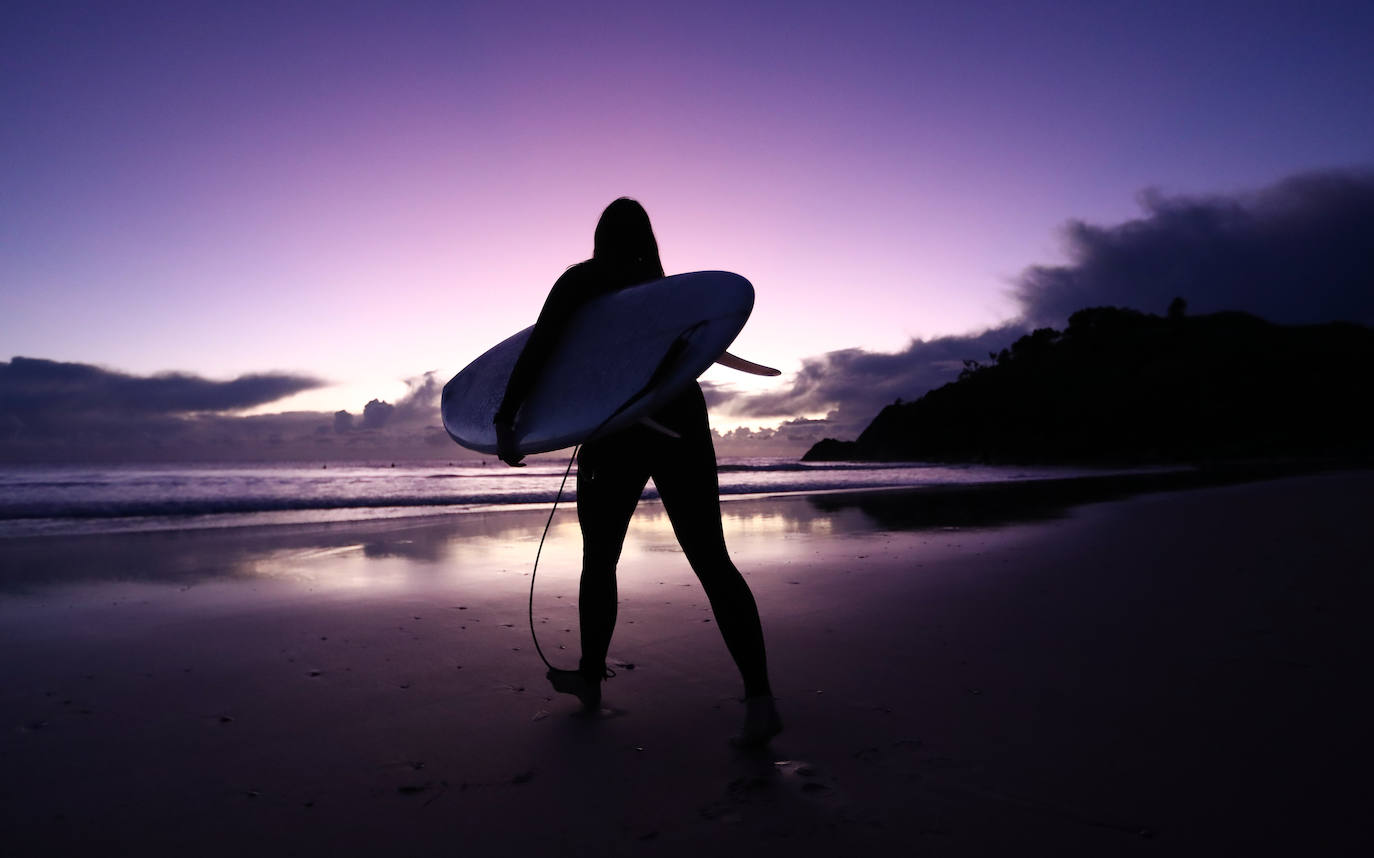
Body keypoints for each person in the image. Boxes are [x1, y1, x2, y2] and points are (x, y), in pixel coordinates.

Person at [493, 198, 782, 746]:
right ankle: (760, 698)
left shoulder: (582, 282)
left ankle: (591, 678)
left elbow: (541, 348)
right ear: (650, 242)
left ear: (599, 240)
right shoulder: (664, 293)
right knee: (712, 560)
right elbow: (696, 352)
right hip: (680, 422)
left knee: (599, 561)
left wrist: (509, 421)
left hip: (618, 432)